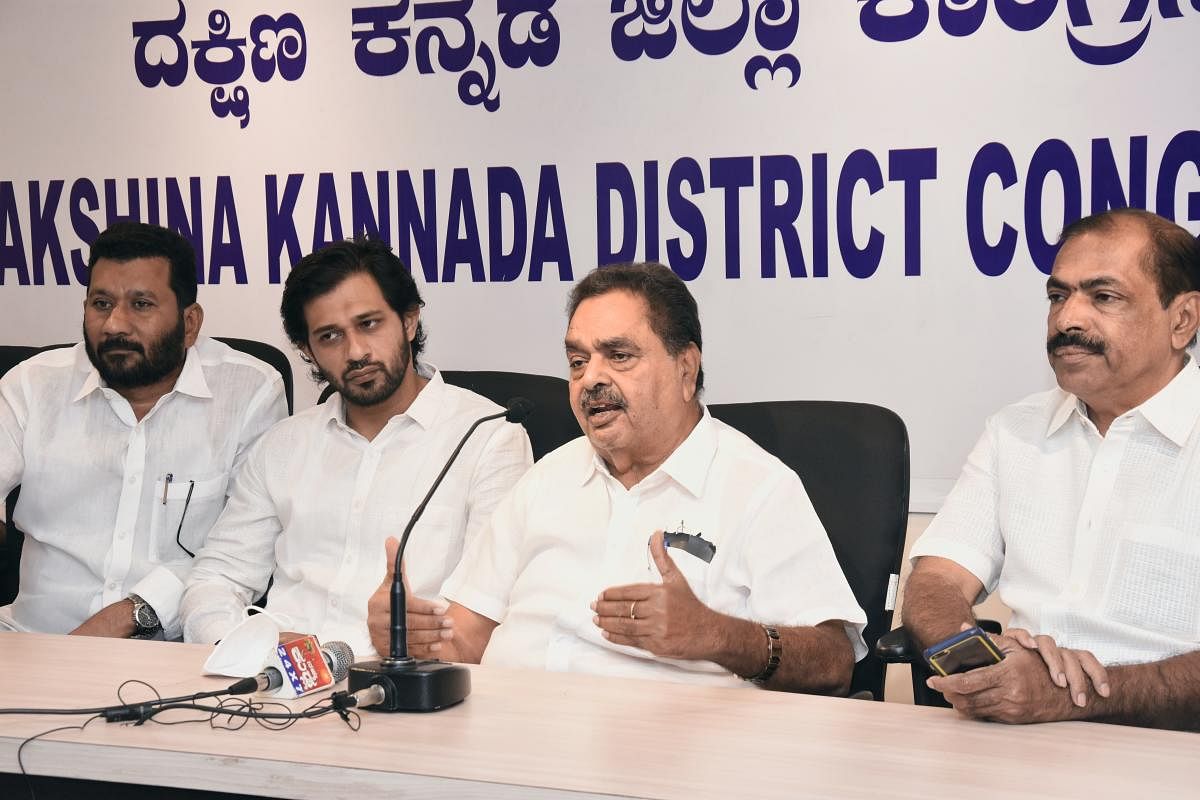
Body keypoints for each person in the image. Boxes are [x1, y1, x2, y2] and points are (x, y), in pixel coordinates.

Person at [382, 262, 866, 691]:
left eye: (618, 356)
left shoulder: (757, 486)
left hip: (667, 761)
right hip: (511, 739)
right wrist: (408, 635)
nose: (590, 379)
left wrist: (717, 635)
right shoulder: (546, 478)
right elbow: (467, 638)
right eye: (577, 361)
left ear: (686, 369)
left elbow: (833, 660)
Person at [904, 208, 1200, 731]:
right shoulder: (1014, 430)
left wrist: (1074, 693)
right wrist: (978, 657)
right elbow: (935, 583)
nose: (1067, 320)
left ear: (1182, 320)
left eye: (1103, 297)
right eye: (1058, 296)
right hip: (1017, 739)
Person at [181, 238, 532, 659]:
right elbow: (215, 577)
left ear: (409, 321)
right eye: (330, 337)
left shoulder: (486, 437)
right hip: (273, 683)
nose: (356, 352)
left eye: (369, 324)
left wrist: (403, 643)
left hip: (405, 688)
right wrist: (242, 647)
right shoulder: (284, 445)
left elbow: (489, 615)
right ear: (308, 351)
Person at [0, 221, 287, 639]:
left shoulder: (249, 392)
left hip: (170, 653)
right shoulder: (31, 385)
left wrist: (129, 614)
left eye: (141, 305)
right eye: (101, 303)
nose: (115, 324)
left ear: (190, 323)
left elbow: (245, 550)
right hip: (30, 641)